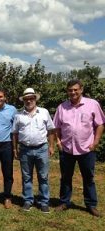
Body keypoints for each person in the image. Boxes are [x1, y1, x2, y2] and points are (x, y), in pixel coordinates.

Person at [53, 79, 105, 217]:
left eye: (76, 89)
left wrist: (96, 142)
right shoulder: (62, 107)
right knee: (65, 177)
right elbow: (56, 127)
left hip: (86, 149)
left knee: (88, 177)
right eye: (70, 90)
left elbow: (100, 124)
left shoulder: (92, 104)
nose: (73, 92)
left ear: (81, 89)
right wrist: (58, 141)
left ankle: (91, 205)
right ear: (67, 91)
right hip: (67, 149)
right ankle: (64, 202)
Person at [12, 88, 55, 213]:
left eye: (31, 98)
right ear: (23, 100)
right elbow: (14, 133)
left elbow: (51, 130)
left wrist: (51, 146)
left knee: (43, 177)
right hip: (25, 150)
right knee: (26, 177)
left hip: (42, 148)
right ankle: (28, 200)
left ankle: (44, 202)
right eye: (26, 99)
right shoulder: (18, 115)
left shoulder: (44, 112)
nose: (29, 101)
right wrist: (15, 149)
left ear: (35, 99)